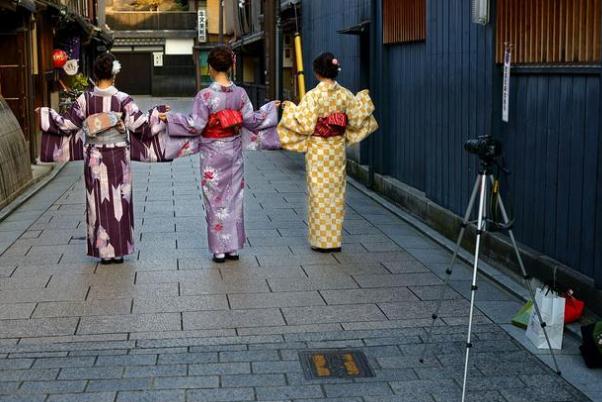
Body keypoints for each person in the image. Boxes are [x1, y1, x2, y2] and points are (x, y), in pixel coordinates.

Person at [37, 52, 164, 264]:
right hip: (118, 157)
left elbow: (67, 124)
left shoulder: (84, 99)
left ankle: (104, 251)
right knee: (119, 201)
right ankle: (119, 249)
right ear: (114, 74)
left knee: (97, 201)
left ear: (95, 74)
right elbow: (141, 126)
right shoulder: (123, 99)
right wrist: (157, 114)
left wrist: (45, 114)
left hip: (95, 157)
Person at [162, 46, 280, 263]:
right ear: (232, 65)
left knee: (215, 199)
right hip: (233, 150)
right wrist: (269, 108)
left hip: (212, 154)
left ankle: (219, 249)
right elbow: (251, 120)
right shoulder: (240, 93)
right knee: (235, 197)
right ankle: (233, 247)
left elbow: (195, 125)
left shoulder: (205, 95)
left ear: (210, 68)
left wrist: (169, 118)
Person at [277, 52, 378, 252]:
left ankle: (321, 241)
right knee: (336, 193)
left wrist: (289, 108)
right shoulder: (345, 94)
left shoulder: (313, 95)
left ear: (316, 72)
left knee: (318, 193)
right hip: (337, 148)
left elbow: (305, 124)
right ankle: (335, 241)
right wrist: (362, 98)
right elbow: (357, 119)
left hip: (318, 149)